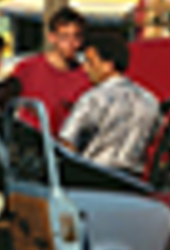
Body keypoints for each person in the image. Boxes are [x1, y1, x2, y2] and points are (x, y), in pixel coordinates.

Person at [59, 33, 159, 175]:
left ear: (108, 65)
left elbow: (68, 144)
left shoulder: (94, 99)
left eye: (90, 62)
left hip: (94, 176)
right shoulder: (150, 100)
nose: (85, 69)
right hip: (134, 181)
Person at [12, 7, 92, 132]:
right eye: (64, 37)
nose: (71, 43)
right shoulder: (27, 68)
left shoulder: (86, 76)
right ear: (52, 37)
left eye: (77, 37)